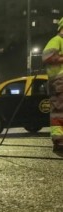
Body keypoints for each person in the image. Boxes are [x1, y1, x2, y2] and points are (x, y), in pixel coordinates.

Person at [42, 16, 63, 155]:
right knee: (59, 112)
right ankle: (59, 142)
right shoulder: (56, 40)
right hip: (59, 82)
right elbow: (47, 56)